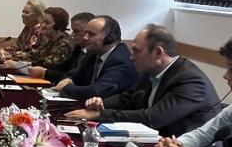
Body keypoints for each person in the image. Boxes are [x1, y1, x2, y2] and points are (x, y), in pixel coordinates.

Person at [71, 24, 222, 134]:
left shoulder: (191, 81)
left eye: (136, 51)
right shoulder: (151, 71)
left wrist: (99, 115)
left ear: (158, 53)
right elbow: (127, 98)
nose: (131, 57)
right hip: (157, 143)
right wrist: (100, 104)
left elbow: (152, 118)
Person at [51, 15, 135, 99]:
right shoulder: (94, 53)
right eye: (85, 33)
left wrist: (66, 88)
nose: (85, 37)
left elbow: (97, 91)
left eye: (91, 34)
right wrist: (69, 79)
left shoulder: (121, 61)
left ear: (109, 39)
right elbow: (76, 73)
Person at [24, 11, 94, 81]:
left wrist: (44, 73)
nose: (72, 35)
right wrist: (30, 65)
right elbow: (62, 67)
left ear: (58, 25)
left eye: (77, 31)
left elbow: (75, 78)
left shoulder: (66, 44)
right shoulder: (79, 48)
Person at [22, 6, 75, 71]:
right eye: (42, 22)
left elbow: (48, 65)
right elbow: (32, 56)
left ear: (59, 26)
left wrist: (20, 65)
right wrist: (13, 58)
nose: (42, 25)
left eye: (47, 23)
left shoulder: (65, 44)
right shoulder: (49, 40)